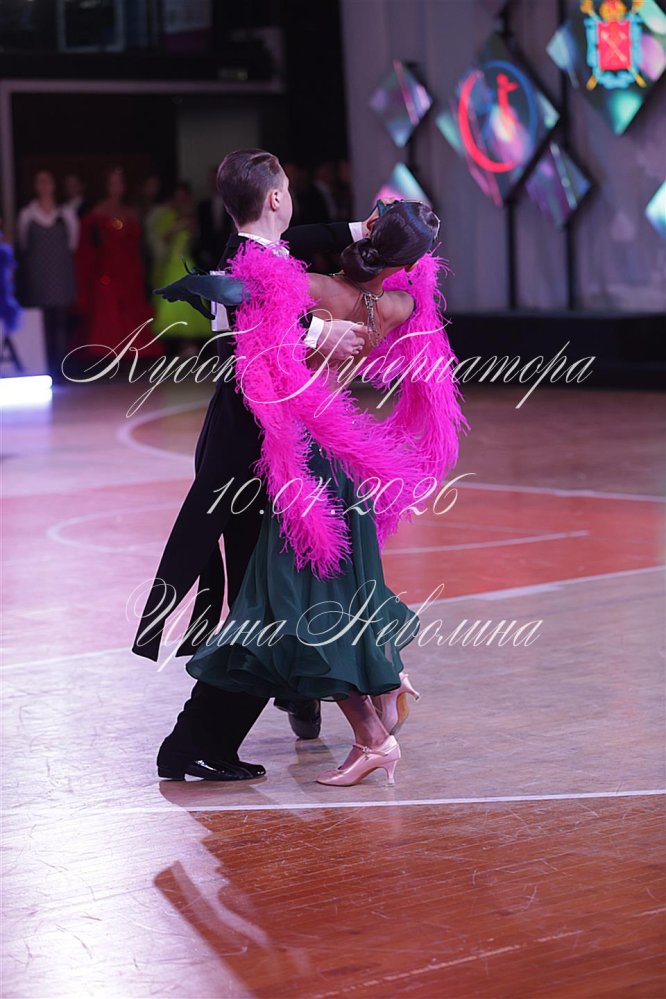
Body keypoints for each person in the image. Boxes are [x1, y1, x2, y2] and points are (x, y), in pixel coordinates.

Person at [183, 201, 464, 787]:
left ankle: (371, 730)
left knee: (304, 592)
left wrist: (356, 235)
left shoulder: (312, 288)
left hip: (303, 455)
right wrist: (402, 255)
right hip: (344, 458)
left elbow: (258, 279)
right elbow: (408, 289)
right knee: (348, 586)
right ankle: (383, 686)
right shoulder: (401, 306)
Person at [133, 149, 379, 781]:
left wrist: (361, 230)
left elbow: (300, 245)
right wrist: (321, 335)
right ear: (273, 198)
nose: (291, 197)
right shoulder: (249, 266)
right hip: (249, 447)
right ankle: (203, 737)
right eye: (287, 188)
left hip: (251, 439)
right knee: (261, 598)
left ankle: (209, 735)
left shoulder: (258, 252)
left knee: (262, 596)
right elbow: (257, 329)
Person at [75, 166, 160, 360]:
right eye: (112, 183)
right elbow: (87, 249)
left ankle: (132, 350)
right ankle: (107, 351)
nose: (116, 188)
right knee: (109, 311)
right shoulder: (96, 214)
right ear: (106, 186)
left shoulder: (130, 212)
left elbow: (138, 246)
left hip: (129, 271)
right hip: (107, 271)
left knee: (129, 309)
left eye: (119, 183)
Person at [16, 170, 79, 382]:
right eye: (40, 181)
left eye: (47, 181)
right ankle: (42, 366)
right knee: (40, 324)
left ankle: (60, 369)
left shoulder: (66, 214)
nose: (44, 185)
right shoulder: (27, 215)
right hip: (38, 278)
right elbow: (24, 243)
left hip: (59, 276)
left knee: (60, 322)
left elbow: (72, 243)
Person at [147, 181, 210, 349]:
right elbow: (163, 239)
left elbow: (195, 238)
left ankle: (189, 344)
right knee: (172, 303)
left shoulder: (191, 217)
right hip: (171, 264)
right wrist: (175, 227)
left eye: (183, 197)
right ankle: (176, 345)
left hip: (185, 262)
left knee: (189, 302)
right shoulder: (167, 216)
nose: (180, 200)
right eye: (177, 197)